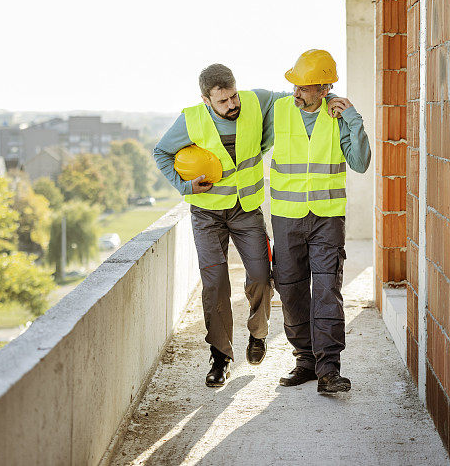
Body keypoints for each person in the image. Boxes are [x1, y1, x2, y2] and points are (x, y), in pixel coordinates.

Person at [153, 63, 343, 388]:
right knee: (214, 284)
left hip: (247, 211)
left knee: (260, 276)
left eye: (233, 97)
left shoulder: (256, 101)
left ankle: (258, 334)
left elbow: (299, 97)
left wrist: (330, 97)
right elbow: (161, 153)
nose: (232, 105)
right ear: (206, 100)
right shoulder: (191, 119)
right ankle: (221, 357)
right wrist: (186, 187)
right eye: (223, 101)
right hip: (206, 214)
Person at [270, 49, 371, 394]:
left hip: (327, 217)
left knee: (327, 289)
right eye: (295, 86)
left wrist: (354, 120)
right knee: (290, 287)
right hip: (287, 218)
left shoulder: (339, 115)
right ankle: (305, 362)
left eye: (304, 87)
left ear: (324, 88)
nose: (296, 93)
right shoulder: (279, 110)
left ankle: (329, 369)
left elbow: (360, 163)